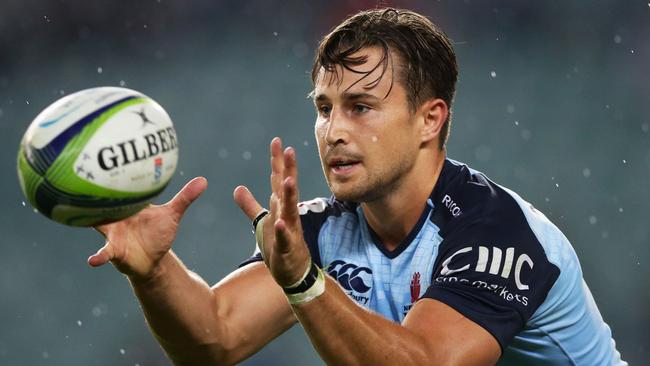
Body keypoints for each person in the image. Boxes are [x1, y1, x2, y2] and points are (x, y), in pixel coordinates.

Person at [88, 8, 626, 366]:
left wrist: (303, 282)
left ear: (429, 120)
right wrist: (155, 271)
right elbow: (215, 337)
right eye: (325, 109)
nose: (334, 130)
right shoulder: (323, 229)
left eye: (361, 107)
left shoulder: (495, 233)